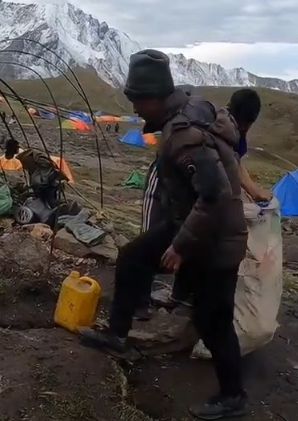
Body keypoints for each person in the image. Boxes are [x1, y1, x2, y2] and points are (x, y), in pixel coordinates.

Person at [79, 50, 258, 419]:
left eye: (136, 101)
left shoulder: (184, 136)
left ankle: (232, 397)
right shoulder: (188, 113)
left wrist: (179, 246)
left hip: (214, 239)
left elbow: (214, 194)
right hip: (190, 225)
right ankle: (117, 337)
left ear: (152, 97)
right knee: (133, 258)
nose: (136, 110)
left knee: (214, 318)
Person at [168, 87, 270, 308]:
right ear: (250, 122)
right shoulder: (222, 131)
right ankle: (194, 304)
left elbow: (236, 164)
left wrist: (252, 189)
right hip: (200, 191)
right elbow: (225, 174)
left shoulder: (224, 125)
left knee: (195, 236)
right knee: (200, 238)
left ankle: (181, 296)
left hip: (193, 190)